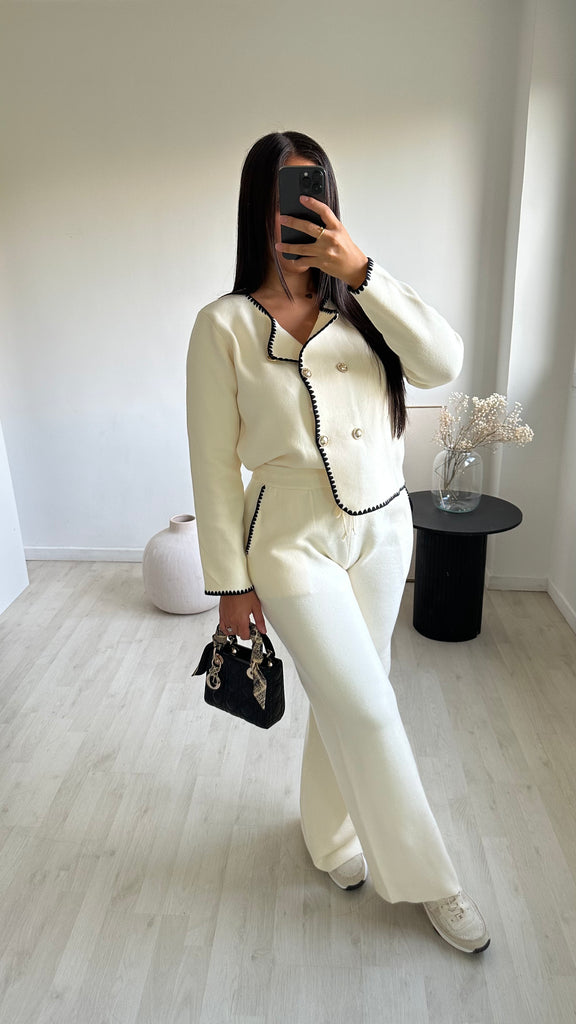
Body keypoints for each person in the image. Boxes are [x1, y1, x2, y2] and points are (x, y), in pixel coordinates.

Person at [186, 131, 490, 954]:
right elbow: (212, 467)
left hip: (384, 530)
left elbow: (443, 361)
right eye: (282, 194)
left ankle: (330, 839)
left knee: (353, 692)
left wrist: (363, 272)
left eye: (310, 191)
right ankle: (434, 881)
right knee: (370, 707)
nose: (296, 210)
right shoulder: (223, 325)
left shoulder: (363, 304)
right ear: (258, 207)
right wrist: (230, 587)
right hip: (290, 542)